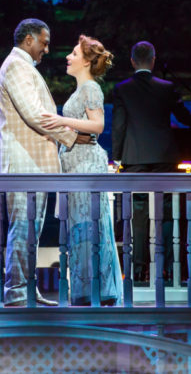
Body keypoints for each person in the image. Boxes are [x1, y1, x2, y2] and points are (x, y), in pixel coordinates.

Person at [0, 18, 92, 306]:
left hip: (33, 165)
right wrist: (72, 136)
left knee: (30, 231)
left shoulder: (24, 68)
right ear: (29, 40)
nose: (47, 49)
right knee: (24, 229)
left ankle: (25, 290)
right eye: (44, 42)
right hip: (24, 164)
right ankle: (16, 292)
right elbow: (34, 115)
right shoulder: (16, 66)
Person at [112, 41, 191, 283]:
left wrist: (116, 157)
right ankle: (165, 268)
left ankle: (136, 270)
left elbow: (119, 126)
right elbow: (184, 117)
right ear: (153, 61)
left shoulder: (122, 89)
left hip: (134, 160)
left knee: (139, 215)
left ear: (133, 62)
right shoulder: (166, 87)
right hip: (164, 158)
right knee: (165, 214)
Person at [41, 35, 123, 306]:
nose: (68, 57)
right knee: (79, 224)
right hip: (74, 160)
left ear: (87, 61)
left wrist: (60, 120)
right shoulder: (80, 90)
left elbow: (98, 126)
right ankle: (85, 289)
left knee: (90, 223)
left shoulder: (91, 88)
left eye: (74, 53)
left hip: (87, 161)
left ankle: (98, 289)